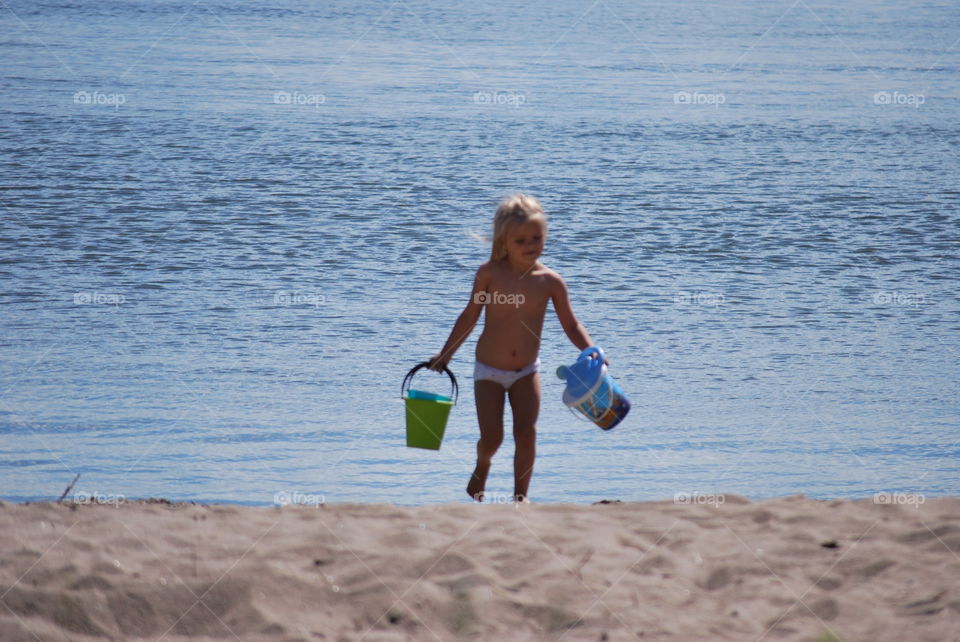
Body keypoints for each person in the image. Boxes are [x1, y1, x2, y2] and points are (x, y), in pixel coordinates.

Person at [428, 194, 599, 503]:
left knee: (526, 432)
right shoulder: (489, 275)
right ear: (504, 241)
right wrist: (445, 355)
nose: (531, 245)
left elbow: (571, 325)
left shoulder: (550, 282)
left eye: (536, 237)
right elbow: (469, 316)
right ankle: (482, 465)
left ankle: (521, 497)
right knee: (493, 438)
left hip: (526, 372)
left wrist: (590, 349)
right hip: (488, 371)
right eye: (521, 240)